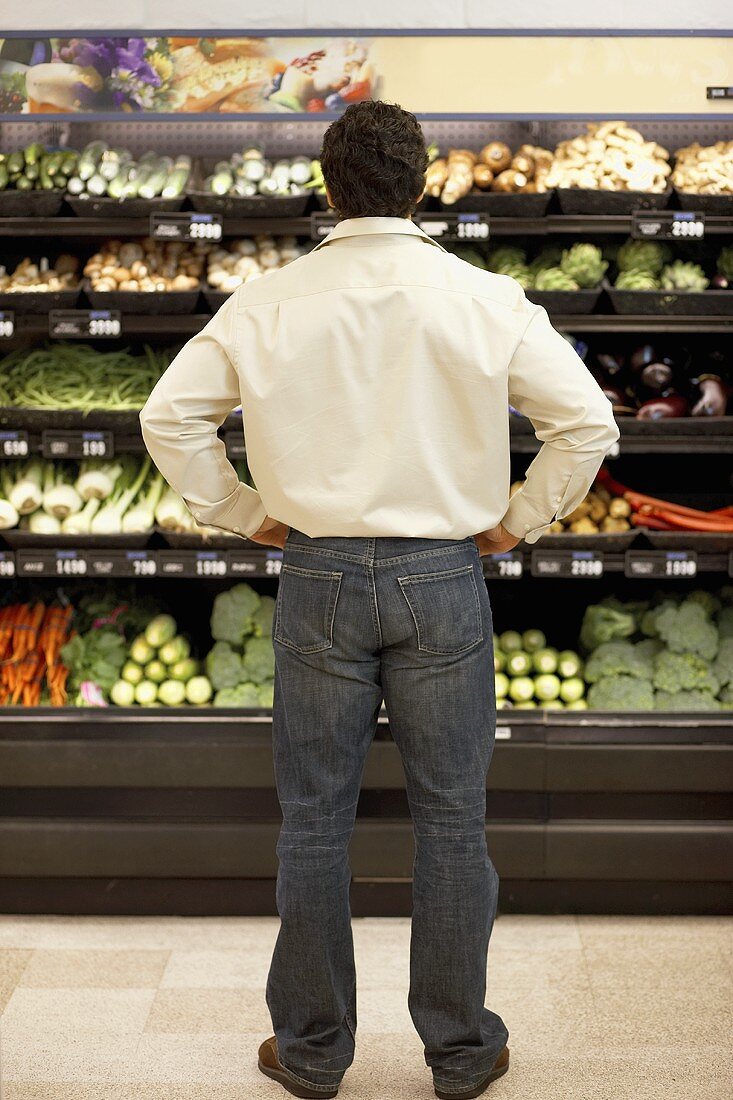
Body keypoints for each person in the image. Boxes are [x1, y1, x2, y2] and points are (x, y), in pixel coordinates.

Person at [140, 100, 619, 1100]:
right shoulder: (485, 297)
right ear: (425, 183)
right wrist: (516, 518)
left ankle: (312, 1050)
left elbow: (169, 416)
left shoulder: (266, 300)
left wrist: (242, 511)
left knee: (314, 817)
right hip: (442, 573)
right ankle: (460, 1047)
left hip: (316, 572)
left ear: (325, 187)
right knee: (452, 818)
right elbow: (584, 424)